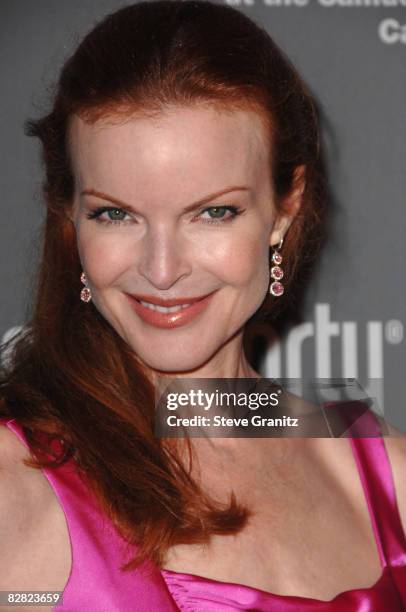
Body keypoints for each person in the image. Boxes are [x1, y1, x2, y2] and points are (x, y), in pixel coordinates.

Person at [1, 1, 405, 610]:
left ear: (284, 209)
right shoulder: (16, 479)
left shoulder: (384, 474)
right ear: (68, 215)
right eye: (115, 214)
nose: (162, 270)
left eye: (213, 211)